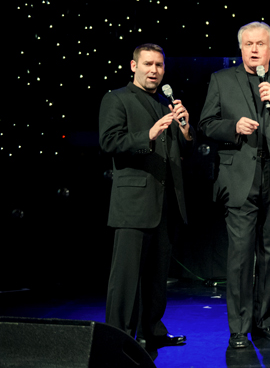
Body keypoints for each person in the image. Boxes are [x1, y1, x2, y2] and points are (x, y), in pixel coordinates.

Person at [198, 22, 270, 349]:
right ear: (241, 48)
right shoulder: (221, 79)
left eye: (260, 44)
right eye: (248, 44)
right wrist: (233, 126)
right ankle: (239, 329)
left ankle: (266, 322)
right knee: (241, 257)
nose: (254, 49)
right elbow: (206, 124)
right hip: (239, 179)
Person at [99, 43, 194, 349]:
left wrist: (185, 130)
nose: (154, 70)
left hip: (165, 201)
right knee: (126, 278)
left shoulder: (166, 103)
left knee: (157, 276)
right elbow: (109, 142)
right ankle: (118, 337)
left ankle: (152, 330)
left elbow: (180, 150)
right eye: (148, 64)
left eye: (159, 65)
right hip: (134, 202)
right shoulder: (117, 98)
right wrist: (148, 135)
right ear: (133, 66)